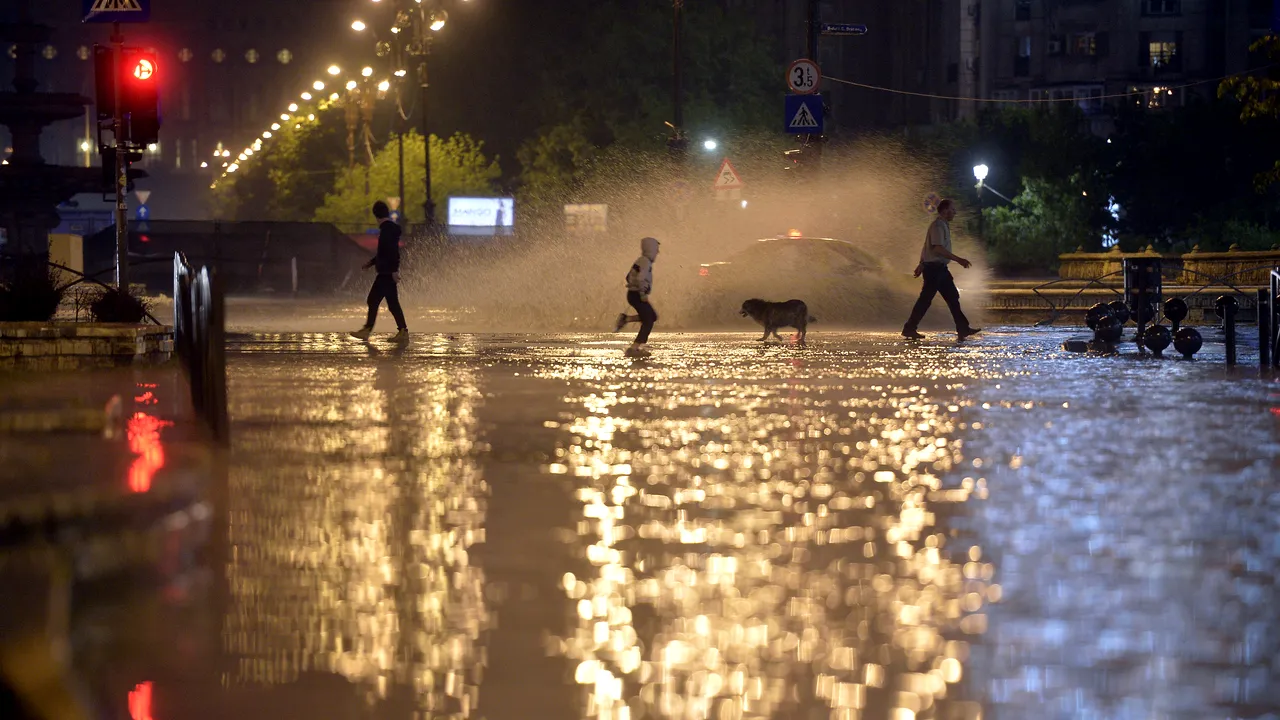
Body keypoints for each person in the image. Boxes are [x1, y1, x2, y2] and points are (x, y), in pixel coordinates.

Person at [902, 198, 981, 340]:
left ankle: (963, 328)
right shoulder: (938, 226)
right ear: (945, 211)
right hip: (934, 270)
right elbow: (937, 248)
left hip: (939, 269)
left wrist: (921, 263)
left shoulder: (941, 225)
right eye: (952, 209)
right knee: (926, 300)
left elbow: (926, 246)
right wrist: (959, 260)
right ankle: (909, 328)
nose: (955, 212)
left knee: (952, 297)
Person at [350, 201, 409, 341]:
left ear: (375, 215)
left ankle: (368, 329)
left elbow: (392, 252)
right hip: (387, 271)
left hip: (386, 273)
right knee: (392, 303)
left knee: (373, 300)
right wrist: (370, 263)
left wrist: (394, 270)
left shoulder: (386, 231)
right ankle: (402, 331)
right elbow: (384, 252)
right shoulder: (388, 229)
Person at [614, 236, 661, 354]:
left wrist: (634, 286)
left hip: (633, 294)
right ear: (651, 250)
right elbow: (640, 278)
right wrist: (642, 293)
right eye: (656, 250)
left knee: (652, 316)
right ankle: (634, 348)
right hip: (637, 295)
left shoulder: (641, 260)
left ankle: (626, 319)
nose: (658, 253)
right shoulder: (645, 262)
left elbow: (628, 277)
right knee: (648, 320)